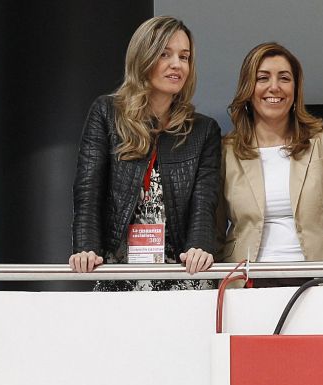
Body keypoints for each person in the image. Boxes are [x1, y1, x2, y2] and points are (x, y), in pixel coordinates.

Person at [70, 16, 220, 290]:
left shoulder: (204, 129)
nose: (177, 64)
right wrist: (86, 247)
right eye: (165, 54)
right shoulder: (106, 113)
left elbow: (204, 199)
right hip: (120, 269)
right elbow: (88, 189)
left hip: (184, 270)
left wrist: (200, 246)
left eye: (184, 57)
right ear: (144, 57)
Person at [218, 42, 323, 287]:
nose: (274, 86)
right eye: (263, 78)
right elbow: (214, 230)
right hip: (248, 283)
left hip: (319, 281)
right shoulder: (227, 150)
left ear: (296, 89)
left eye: (284, 78)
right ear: (248, 88)